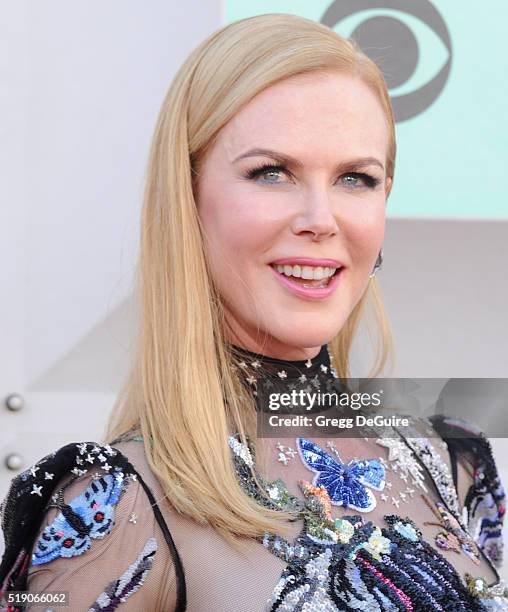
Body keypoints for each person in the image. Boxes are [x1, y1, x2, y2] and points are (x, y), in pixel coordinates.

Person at [1, 13, 506, 611]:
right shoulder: (114, 506)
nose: (322, 218)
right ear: (186, 198)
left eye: (356, 178)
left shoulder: (448, 455)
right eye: (272, 173)